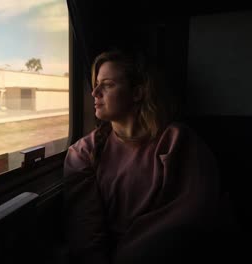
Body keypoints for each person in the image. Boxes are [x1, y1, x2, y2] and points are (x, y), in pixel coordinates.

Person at [63, 47, 235, 264]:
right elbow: (85, 228)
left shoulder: (177, 141)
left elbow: (190, 214)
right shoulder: (83, 152)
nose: (95, 92)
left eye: (107, 85)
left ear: (137, 92)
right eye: (96, 84)